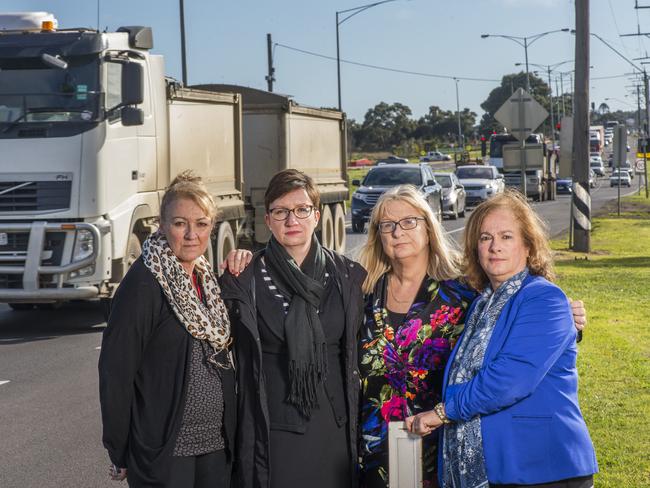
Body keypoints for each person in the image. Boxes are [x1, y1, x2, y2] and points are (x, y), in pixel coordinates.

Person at [406, 190, 598, 488]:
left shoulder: (544, 297)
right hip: (503, 469)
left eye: (506, 237)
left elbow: (510, 378)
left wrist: (442, 413)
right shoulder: (482, 303)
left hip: (543, 469)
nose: (495, 247)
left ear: (528, 246)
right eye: (485, 238)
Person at [219, 169, 367, 488]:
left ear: (316, 215)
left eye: (301, 210)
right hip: (273, 428)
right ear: (268, 220)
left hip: (335, 423)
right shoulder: (244, 279)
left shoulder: (349, 276)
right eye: (281, 211)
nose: (291, 220)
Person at [99, 171, 236, 487]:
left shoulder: (206, 280)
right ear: (161, 225)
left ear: (211, 228)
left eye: (201, 224)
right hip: (164, 452)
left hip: (216, 446)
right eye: (180, 223)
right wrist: (119, 449)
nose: (191, 234)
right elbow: (115, 373)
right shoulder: (143, 285)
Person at [357, 185, 476, 488]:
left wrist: (568, 317)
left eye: (409, 222)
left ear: (428, 227)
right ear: (378, 235)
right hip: (374, 452)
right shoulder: (362, 295)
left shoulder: (461, 295)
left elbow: (509, 321)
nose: (398, 232)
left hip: (440, 447)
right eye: (388, 225)